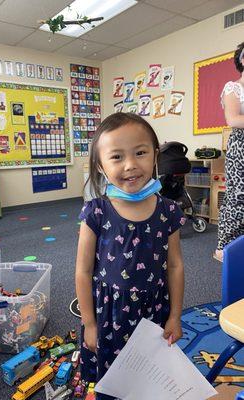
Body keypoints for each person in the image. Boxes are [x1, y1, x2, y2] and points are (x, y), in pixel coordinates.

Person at [75, 112, 186, 399]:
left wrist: (175, 315)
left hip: (154, 310)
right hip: (110, 314)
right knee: (113, 379)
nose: (130, 165)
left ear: (155, 154)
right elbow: (83, 271)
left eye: (140, 152)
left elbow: (174, 265)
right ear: (101, 165)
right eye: (116, 157)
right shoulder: (96, 211)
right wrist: (89, 323)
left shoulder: (169, 211)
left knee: (151, 375)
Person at [214, 41, 244, 262]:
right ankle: (224, 247)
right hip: (241, 146)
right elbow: (233, 119)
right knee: (237, 196)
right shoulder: (233, 88)